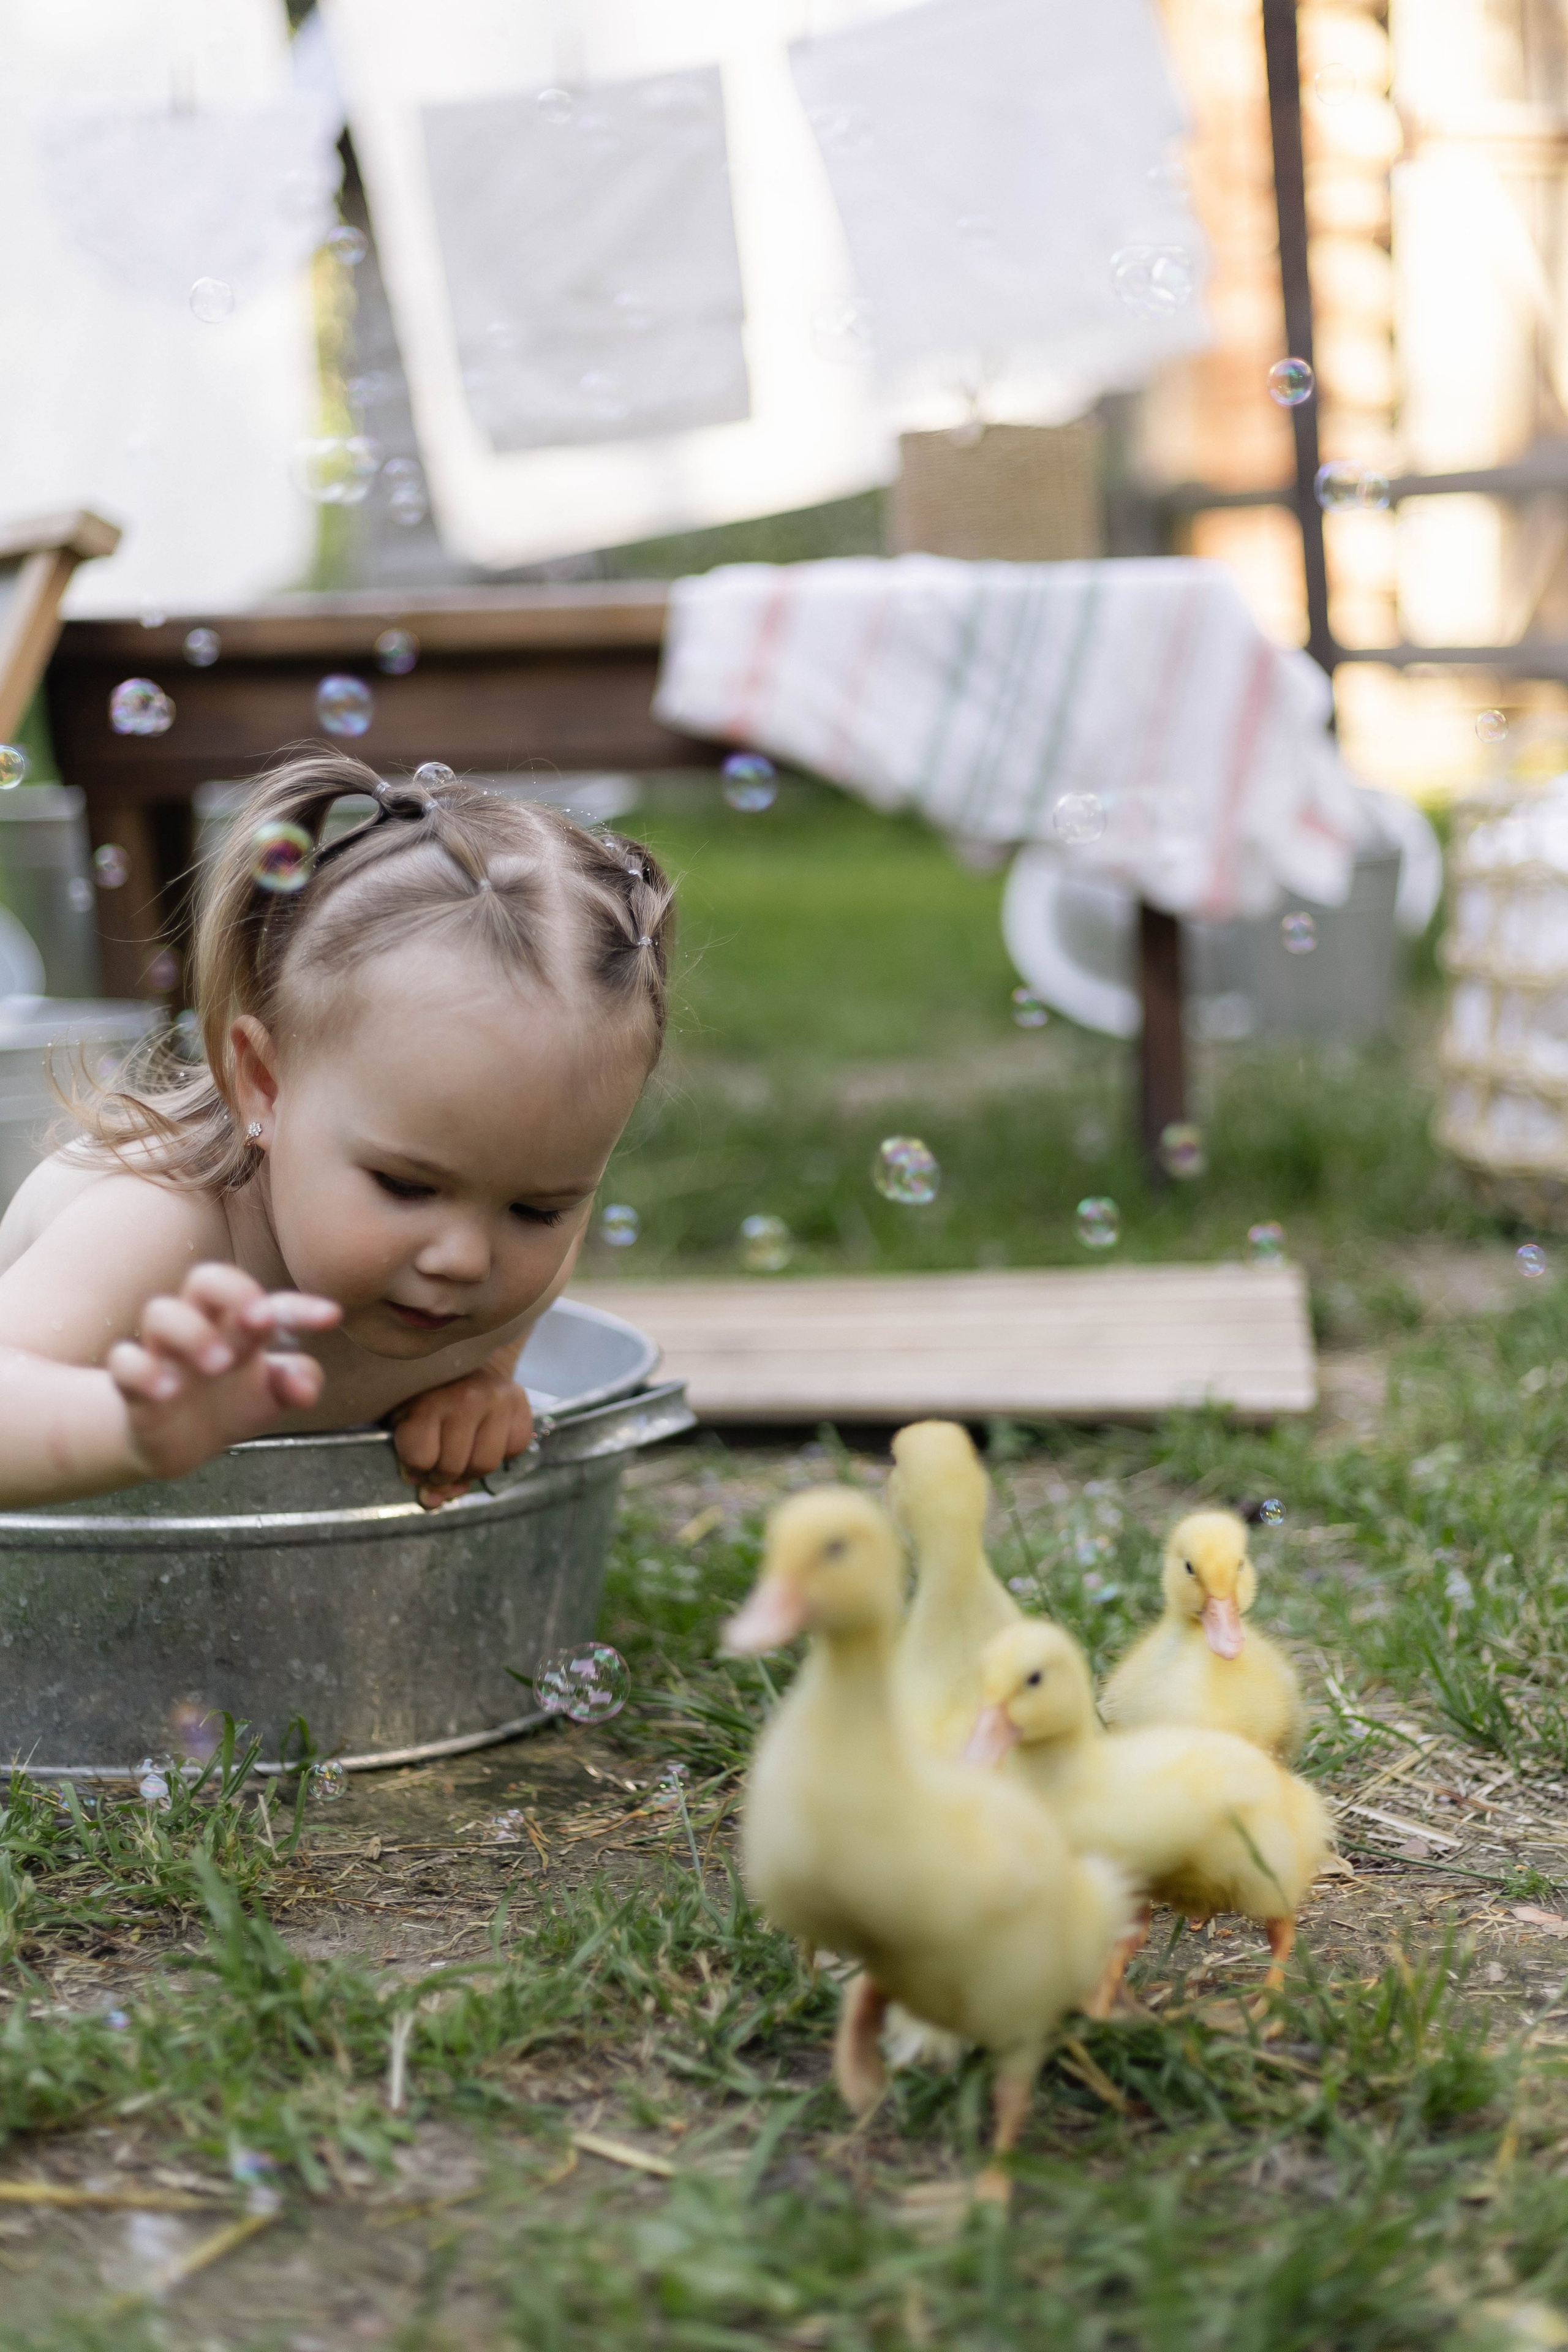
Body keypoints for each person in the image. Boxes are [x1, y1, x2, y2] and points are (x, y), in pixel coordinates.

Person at [0, 749, 674, 1510]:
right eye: (406, 1186)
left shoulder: (517, 1262)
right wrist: (129, 1428)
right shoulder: (157, 1232)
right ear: (264, 1083)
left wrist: (482, 1380)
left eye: (538, 1209)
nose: (464, 1258)